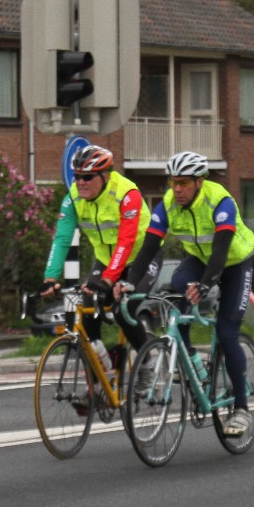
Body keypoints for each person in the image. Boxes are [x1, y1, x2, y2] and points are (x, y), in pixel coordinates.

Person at [120, 151, 254, 436]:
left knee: (227, 332)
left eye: (183, 182)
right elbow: (148, 249)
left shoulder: (220, 201)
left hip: (235, 262)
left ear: (199, 182)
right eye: (173, 182)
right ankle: (192, 359)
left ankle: (242, 408)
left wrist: (206, 285)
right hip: (201, 259)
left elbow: (221, 251)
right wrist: (130, 284)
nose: (177, 188)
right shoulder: (168, 205)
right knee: (176, 289)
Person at [38, 145, 151, 370]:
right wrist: (50, 277)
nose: (81, 182)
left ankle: (148, 364)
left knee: (123, 310)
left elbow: (126, 241)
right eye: (77, 176)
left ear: (105, 176)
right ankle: (103, 371)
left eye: (87, 177)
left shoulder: (127, 194)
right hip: (107, 260)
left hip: (141, 258)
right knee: (87, 309)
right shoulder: (73, 198)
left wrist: (108, 280)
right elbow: (62, 238)